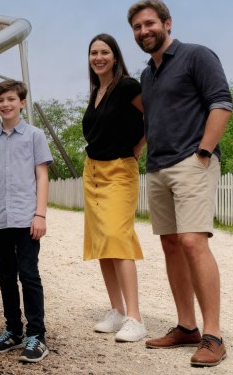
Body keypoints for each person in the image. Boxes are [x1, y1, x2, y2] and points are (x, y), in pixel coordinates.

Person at [128, 0, 232, 367]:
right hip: (158, 167)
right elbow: (151, 119)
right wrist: (141, 151)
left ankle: (213, 334)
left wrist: (204, 152)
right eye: (137, 27)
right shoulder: (147, 75)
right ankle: (186, 326)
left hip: (191, 161)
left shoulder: (197, 56)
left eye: (149, 24)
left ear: (167, 23)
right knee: (171, 244)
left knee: (192, 241)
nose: (144, 31)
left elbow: (222, 103)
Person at [0, 80, 53, 363]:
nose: (5, 104)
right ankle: (13, 329)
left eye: (11, 99)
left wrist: (40, 214)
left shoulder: (34, 136)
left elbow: (42, 175)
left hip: (26, 218)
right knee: (6, 276)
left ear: (22, 102)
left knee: (29, 275)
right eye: (0, 100)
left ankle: (37, 334)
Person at [82, 33, 147, 342]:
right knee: (102, 243)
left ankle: (135, 317)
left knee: (118, 238)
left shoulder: (127, 87)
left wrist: (139, 147)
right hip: (92, 171)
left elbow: (153, 114)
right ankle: (117, 310)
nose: (98, 57)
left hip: (120, 171)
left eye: (104, 52)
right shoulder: (97, 90)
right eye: (94, 52)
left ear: (116, 56)